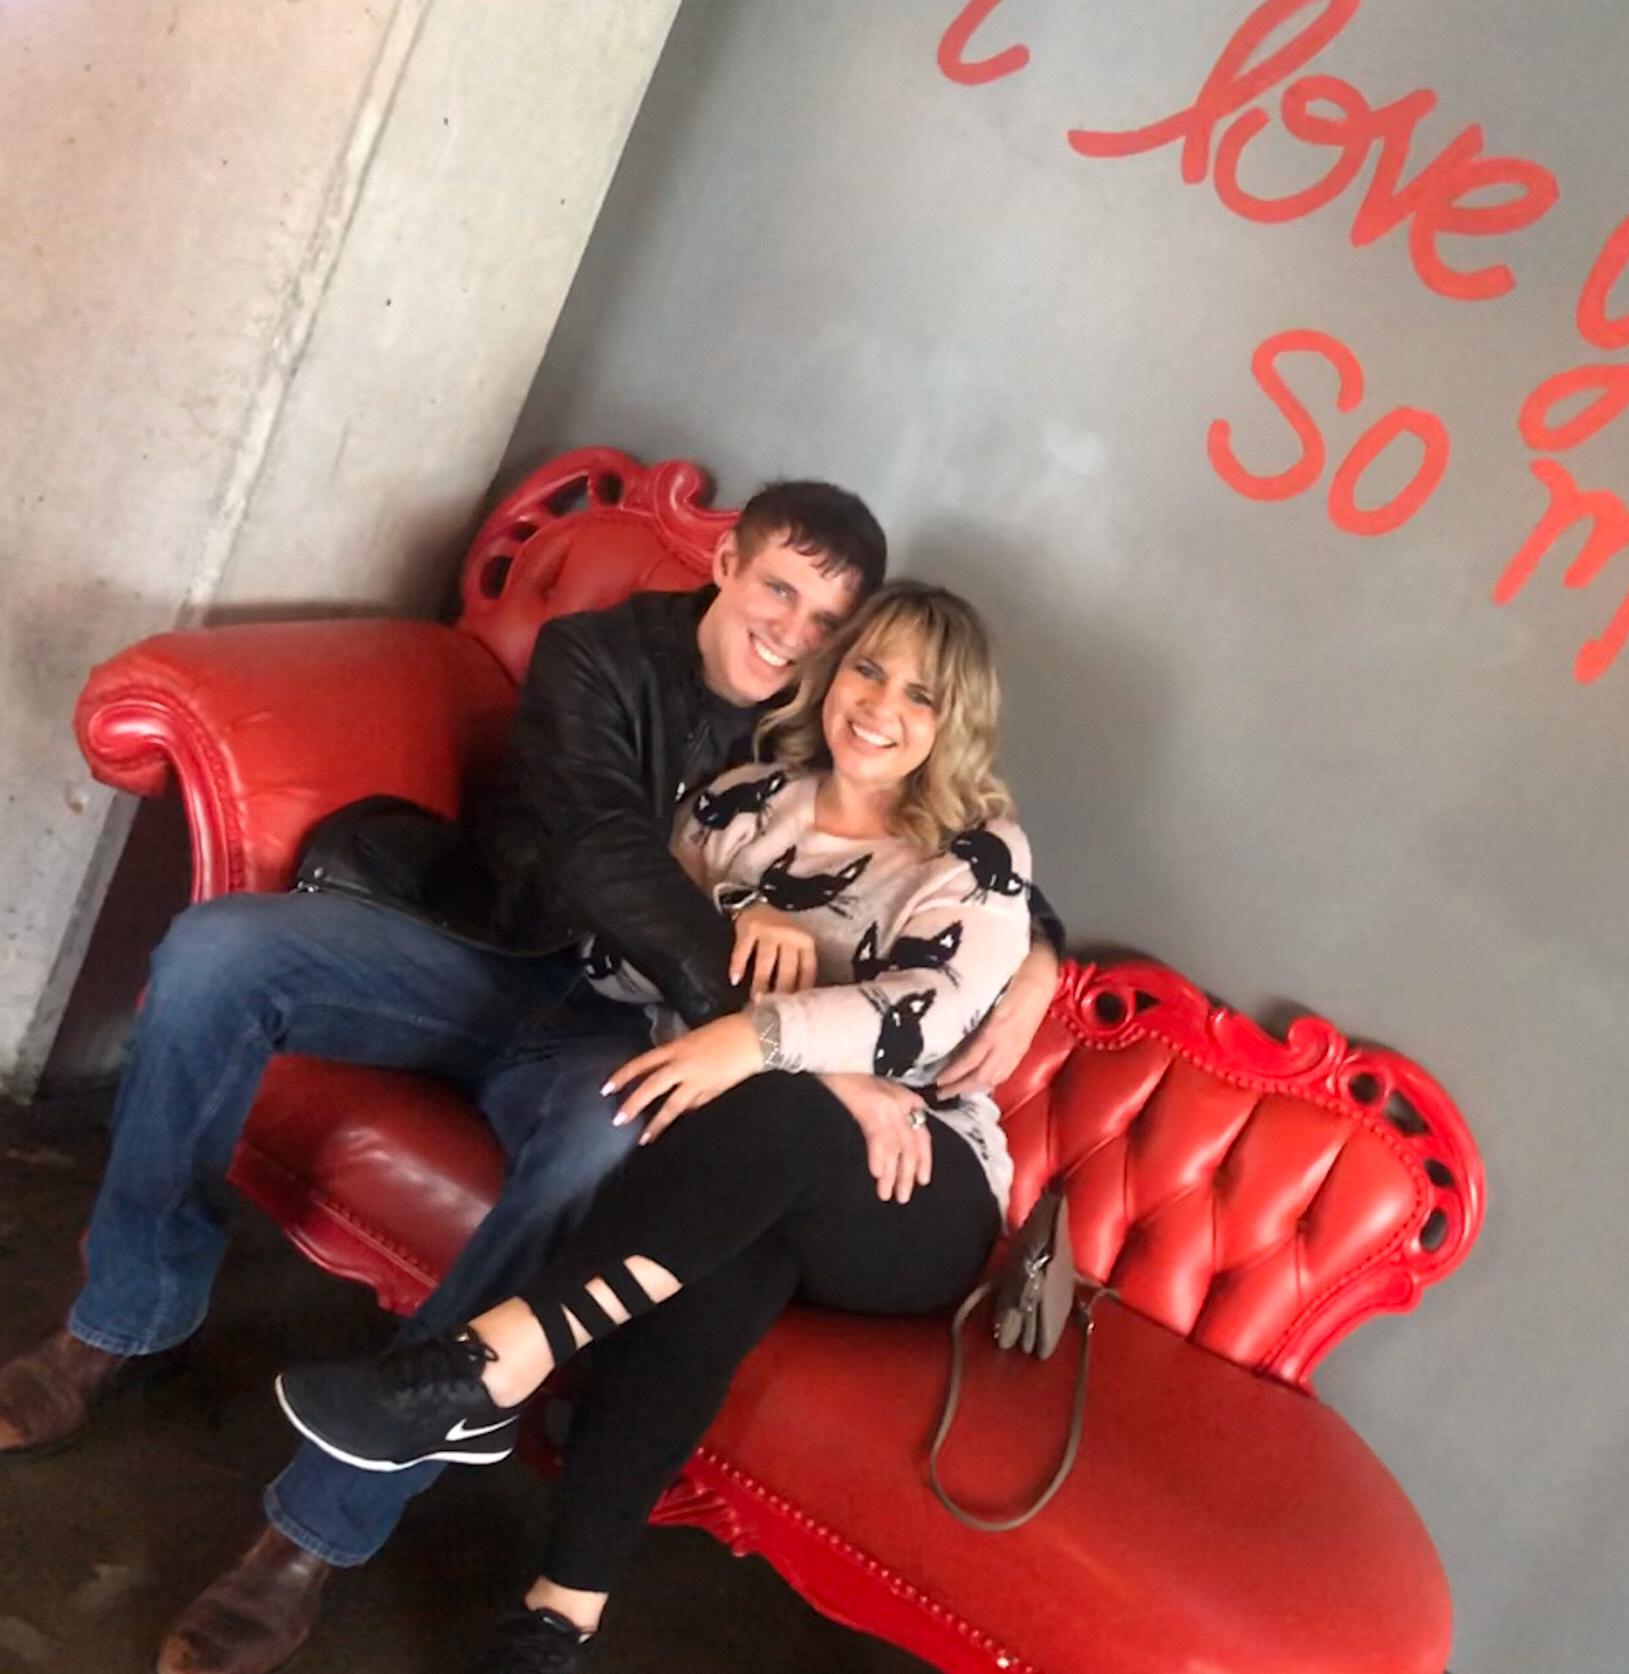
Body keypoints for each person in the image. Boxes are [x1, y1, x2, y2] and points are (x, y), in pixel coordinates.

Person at [0, 483, 1064, 1674]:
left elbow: (953, 861)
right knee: (217, 956)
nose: (794, 636)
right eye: (780, 591)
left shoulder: (816, 732)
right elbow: (603, 853)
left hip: (632, 1037)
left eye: (828, 623)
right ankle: (121, 1321)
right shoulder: (605, 661)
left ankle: (314, 1531)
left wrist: (1041, 958)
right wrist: (783, 1036)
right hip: (496, 955)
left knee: (599, 1152)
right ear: (725, 563)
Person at [277, 582, 1033, 1672]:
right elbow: (614, 954)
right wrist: (732, 918)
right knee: (713, 1267)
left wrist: (754, 1040)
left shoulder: (977, 855)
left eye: (921, 695)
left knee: (767, 1110)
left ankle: (489, 1365)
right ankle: (558, 1619)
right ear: (833, 674)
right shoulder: (741, 801)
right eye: (868, 669)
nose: (880, 707)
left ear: (953, 722)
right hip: (742, 1168)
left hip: (912, 1182)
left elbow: (926, 1018)